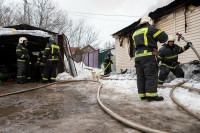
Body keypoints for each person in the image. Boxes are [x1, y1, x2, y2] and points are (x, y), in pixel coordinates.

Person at [132, 16, 168, 101]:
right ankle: (151, 96)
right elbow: (164, 38)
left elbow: (133, 47)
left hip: (137, 57)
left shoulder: (135, 33)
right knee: (151, 75)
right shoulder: (150, 29)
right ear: (149, 22)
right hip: (148, 56)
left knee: (141, 76)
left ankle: (142, 95)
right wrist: (157, 29)